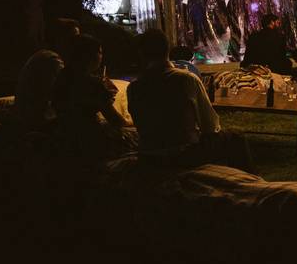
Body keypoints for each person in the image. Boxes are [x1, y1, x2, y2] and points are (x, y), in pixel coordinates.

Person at [127, 30, 255, 172]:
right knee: (236, 138)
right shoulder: (186, 79)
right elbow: (210, 125)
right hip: (183, 155)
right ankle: (248, 183)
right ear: (167, 50)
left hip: (149, 156)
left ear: (142, 54)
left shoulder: (134, 87)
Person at [52, 34, 138, 163]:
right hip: (90, 140)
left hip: (64, 135)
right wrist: (132, 122)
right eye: (100, 52)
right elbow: (116, 121)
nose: (102, 57)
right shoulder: (92, 83)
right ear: (91, 55)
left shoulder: (61, 77)